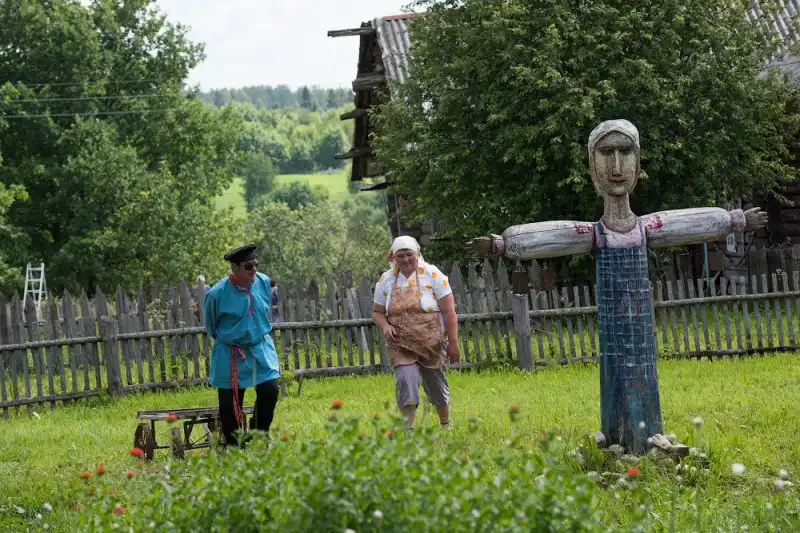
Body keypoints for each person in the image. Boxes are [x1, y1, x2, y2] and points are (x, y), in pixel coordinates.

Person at [372, 235, 460, 430]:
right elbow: (377, 312)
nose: (405, 259)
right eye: (400, 255)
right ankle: (408, 431)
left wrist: (453, 342)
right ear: (393, 257)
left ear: (417, 254)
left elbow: (449, 311)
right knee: (406, 381)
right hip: (400, 343)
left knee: (435, 384)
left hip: (431, 342)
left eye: (409, 254)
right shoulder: (386, 279)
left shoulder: (433, 274)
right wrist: (386, 326)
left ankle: (445, 425)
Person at [203, 244, 281, 447]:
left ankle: (258, 435)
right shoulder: (216, 294)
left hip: (259, 348)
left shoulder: (263, 282)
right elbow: (211, 325)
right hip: (231, 351)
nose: (254, 269)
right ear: (234, 268)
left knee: (270, 390)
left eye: (255, 264)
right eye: (248, 266)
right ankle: (234, 446)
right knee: (230, 404)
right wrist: (231, 339)